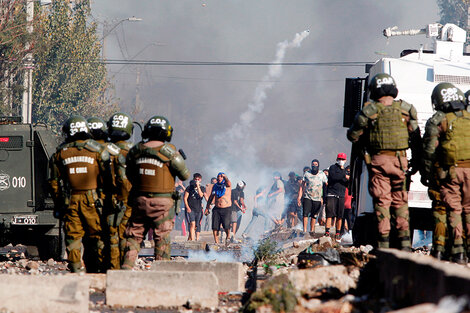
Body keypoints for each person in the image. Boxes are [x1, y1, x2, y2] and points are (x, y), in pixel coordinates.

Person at [347, 73, 421, 251]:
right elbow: (417, 139)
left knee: (382, 203)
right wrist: (417, 164)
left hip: (379, 162)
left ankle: (384, 244)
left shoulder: (369, 111)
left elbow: (353, 135)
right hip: (400, 162)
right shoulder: (406, 109)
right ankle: (404, 244)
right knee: (400, 202)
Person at [122, 116, 190, 269]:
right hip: (163, 204)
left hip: (139, 200)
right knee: (162, 238)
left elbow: (129, 173)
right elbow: (185, 175)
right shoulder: (170, 153)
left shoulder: (137, 150)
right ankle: (161, 271)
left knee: (133, 236)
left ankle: (125, 269)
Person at [49, 116, 111, 273]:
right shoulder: (98, 150)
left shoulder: (60, 153)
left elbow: (54, 182)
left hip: (70, 200)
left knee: (73, 237)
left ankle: (76, 269)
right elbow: (107, 179)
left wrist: (59, 203)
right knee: (97, 235)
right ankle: (99, 269)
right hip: (94, 200)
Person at [421, 83, 469, 264]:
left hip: (444, 174)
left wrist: (426, 174)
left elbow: (428, 152)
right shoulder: (467, 119)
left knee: (445, 211)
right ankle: (463, 251)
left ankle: (444, 250)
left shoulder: (439, 120)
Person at [87, 116, 128, 270]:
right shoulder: (114, 151)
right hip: (111, 198)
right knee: (113, 236)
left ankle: (95, 269)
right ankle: (114, 268)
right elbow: (122, 179)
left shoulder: (88, 150)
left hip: (93, 197)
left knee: (92, 236)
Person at [107, 112, 134, 266]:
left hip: (103, 199)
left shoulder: (101, 149)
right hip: (126, 200)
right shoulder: (133, 151)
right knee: (124, 234)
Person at [298, 159, 328, 236]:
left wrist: (324, 197)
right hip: (307, 196)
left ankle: (312, 230)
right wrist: (299, 196)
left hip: (317, 198)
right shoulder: (307, 174)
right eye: (313, 164)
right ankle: (304, 230)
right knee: (305, 214)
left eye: (316, 164)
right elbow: (302, 186)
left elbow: (326, 184)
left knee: (314, 215)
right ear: (311, 165)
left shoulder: (322, 174)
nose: (314, 166)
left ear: (318, 165)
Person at [324, 153, 349, 241]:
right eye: (339, 159)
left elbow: (346, 183)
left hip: (341, 195)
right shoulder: (332, 168)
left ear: (345, 160)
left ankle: (338, 233)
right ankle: (327, 232)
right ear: (337, 159)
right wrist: (345, 176)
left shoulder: (345, 171)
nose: (341, 161)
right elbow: (334, 177)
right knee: (330, 214)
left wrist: (347, 178)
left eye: (343, 159)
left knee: (340, 215)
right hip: (331, 193)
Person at [205, 173, 232, 244]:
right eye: (218, 177)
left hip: (226, 208)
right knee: (215, 226)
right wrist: (207, 207)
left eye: (221, 177)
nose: (219, 178)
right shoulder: (215, 186)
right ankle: (216, 242)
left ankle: (228, 236)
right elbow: (211, 196)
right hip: (217, 208)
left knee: (226, 225)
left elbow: (228, 182)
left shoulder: (227, 185)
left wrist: (225, 176)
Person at [184, 173, 206, 241]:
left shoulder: (202, 188)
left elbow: (201, 195)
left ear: (200, 180)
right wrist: (187, 207)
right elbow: (185, 198)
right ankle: (193, 240)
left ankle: (190, 238)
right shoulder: (189, 187)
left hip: (198, 209)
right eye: (195, 179)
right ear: (193, 179)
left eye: (198, 179)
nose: (197, 180)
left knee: (196, 225)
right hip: (191, 208)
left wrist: (198, 186)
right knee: (192, 224)